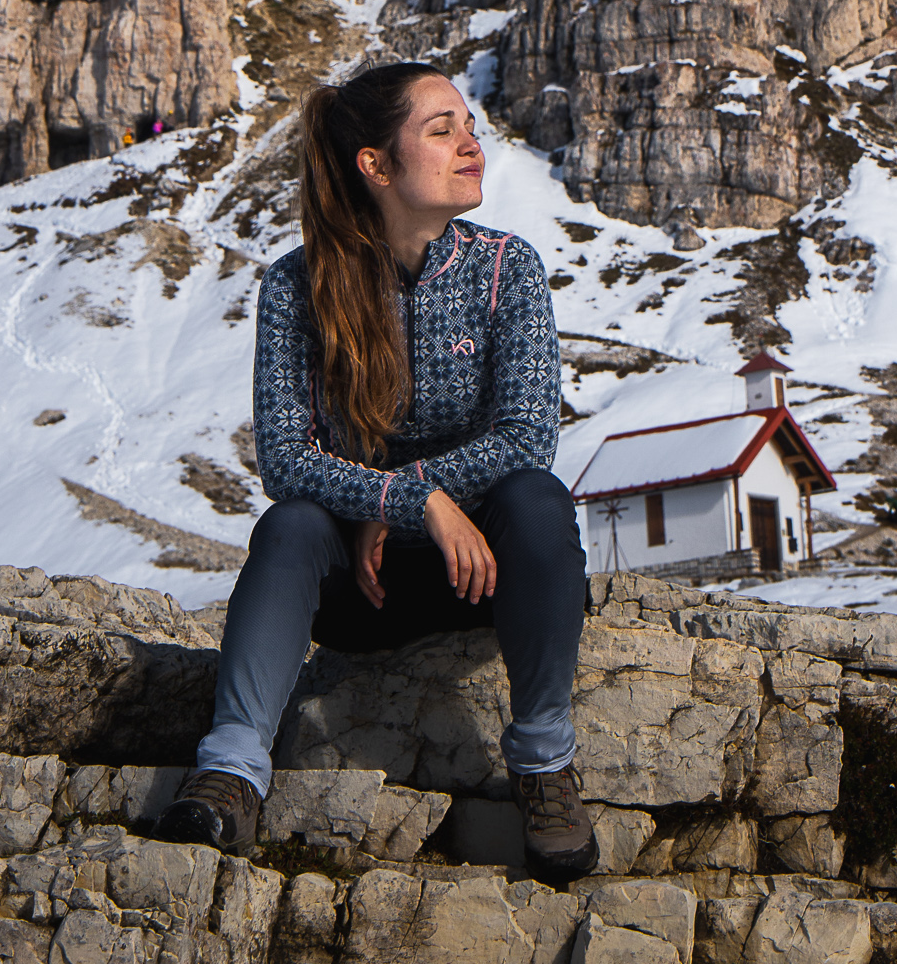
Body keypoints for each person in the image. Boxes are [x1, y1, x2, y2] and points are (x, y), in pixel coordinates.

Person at [156, 61, 596, 881]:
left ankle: (543, 762)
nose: (472, 145)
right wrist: (409, 501)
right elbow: (286, 461)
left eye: (469, 126)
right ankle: (230, 770)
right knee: (288, 524)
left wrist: (403, 502)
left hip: (490, 580)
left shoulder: (508, 267)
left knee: (536, 498)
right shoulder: (297, 287)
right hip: (361, 595)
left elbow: (529, 435)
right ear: (377, 164)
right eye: (443, 130)